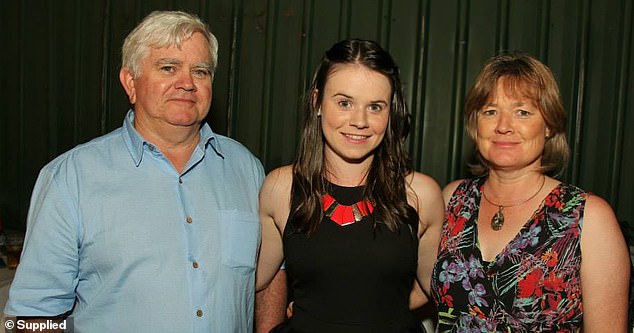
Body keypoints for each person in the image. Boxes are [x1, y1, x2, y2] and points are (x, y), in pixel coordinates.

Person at [4, 10, 264, 333]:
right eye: (168, 67)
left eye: (201, 71)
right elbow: (29, 319)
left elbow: (267, 277)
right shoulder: (70, 180)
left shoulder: (246, 170)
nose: (187, 83)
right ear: (130, 82)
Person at [255, 39, 444, 332]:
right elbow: (253, 280)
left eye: (375, 107)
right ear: (317, 103)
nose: (360, 121)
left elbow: (438, 289)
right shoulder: (281, 187)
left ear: (390, 113)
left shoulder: (421, 193)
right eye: (344, 103)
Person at [432, 53, 631, 332]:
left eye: (522, 112)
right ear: (476, 125)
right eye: (490, 111)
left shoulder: (587, 217)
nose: (503, 126)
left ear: (549, 124)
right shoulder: (453, 199)